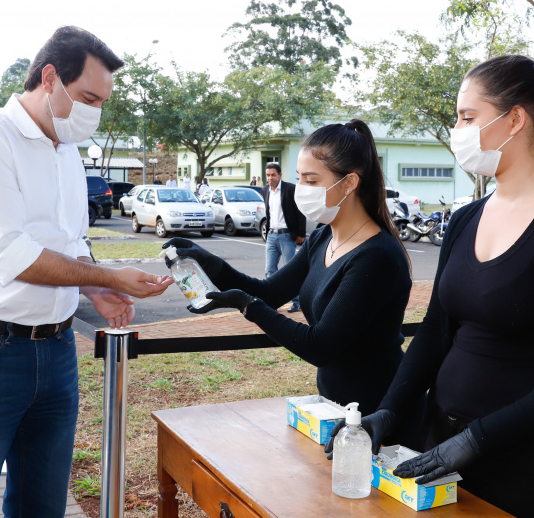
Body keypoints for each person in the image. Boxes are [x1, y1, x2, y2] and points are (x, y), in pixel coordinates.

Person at [336, 56, 534, 517]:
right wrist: (389, 412)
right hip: (445, 454)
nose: (458, 129)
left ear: (514, 120)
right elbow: (436, 331)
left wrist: (477, 438)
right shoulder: (467, 218)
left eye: (467, 117)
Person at [0, 26, 173, 517]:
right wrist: (111, 279)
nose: (94, 113)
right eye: (87, 98)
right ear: (50, 78)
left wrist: (90, 286)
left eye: (102, 102)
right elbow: (14, 255)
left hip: (55, 351)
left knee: (42, 503)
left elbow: (68, 243)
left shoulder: (65, 153)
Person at [163, 120, 412, 416]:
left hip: (379, 411)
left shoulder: (377, 257)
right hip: (336, 406)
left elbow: (320, 346)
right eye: (299, 178)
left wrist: (247, 305)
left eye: (311, 180)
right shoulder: (322, 237)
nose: (301, 189)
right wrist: (211, 264)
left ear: (349, 183)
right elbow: (270, 291)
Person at [262, 162, 306, 312]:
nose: (270, 178)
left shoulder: (290, 189)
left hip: (287, 235)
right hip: (271, 236)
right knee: (270, 270)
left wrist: (300, 234)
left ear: (280, 175)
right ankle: (271, 301)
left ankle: (296, 302)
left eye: (273, 175)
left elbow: (300, 212)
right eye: (268, 175)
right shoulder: (265, 190)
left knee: (290, 271)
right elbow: (269, 214)